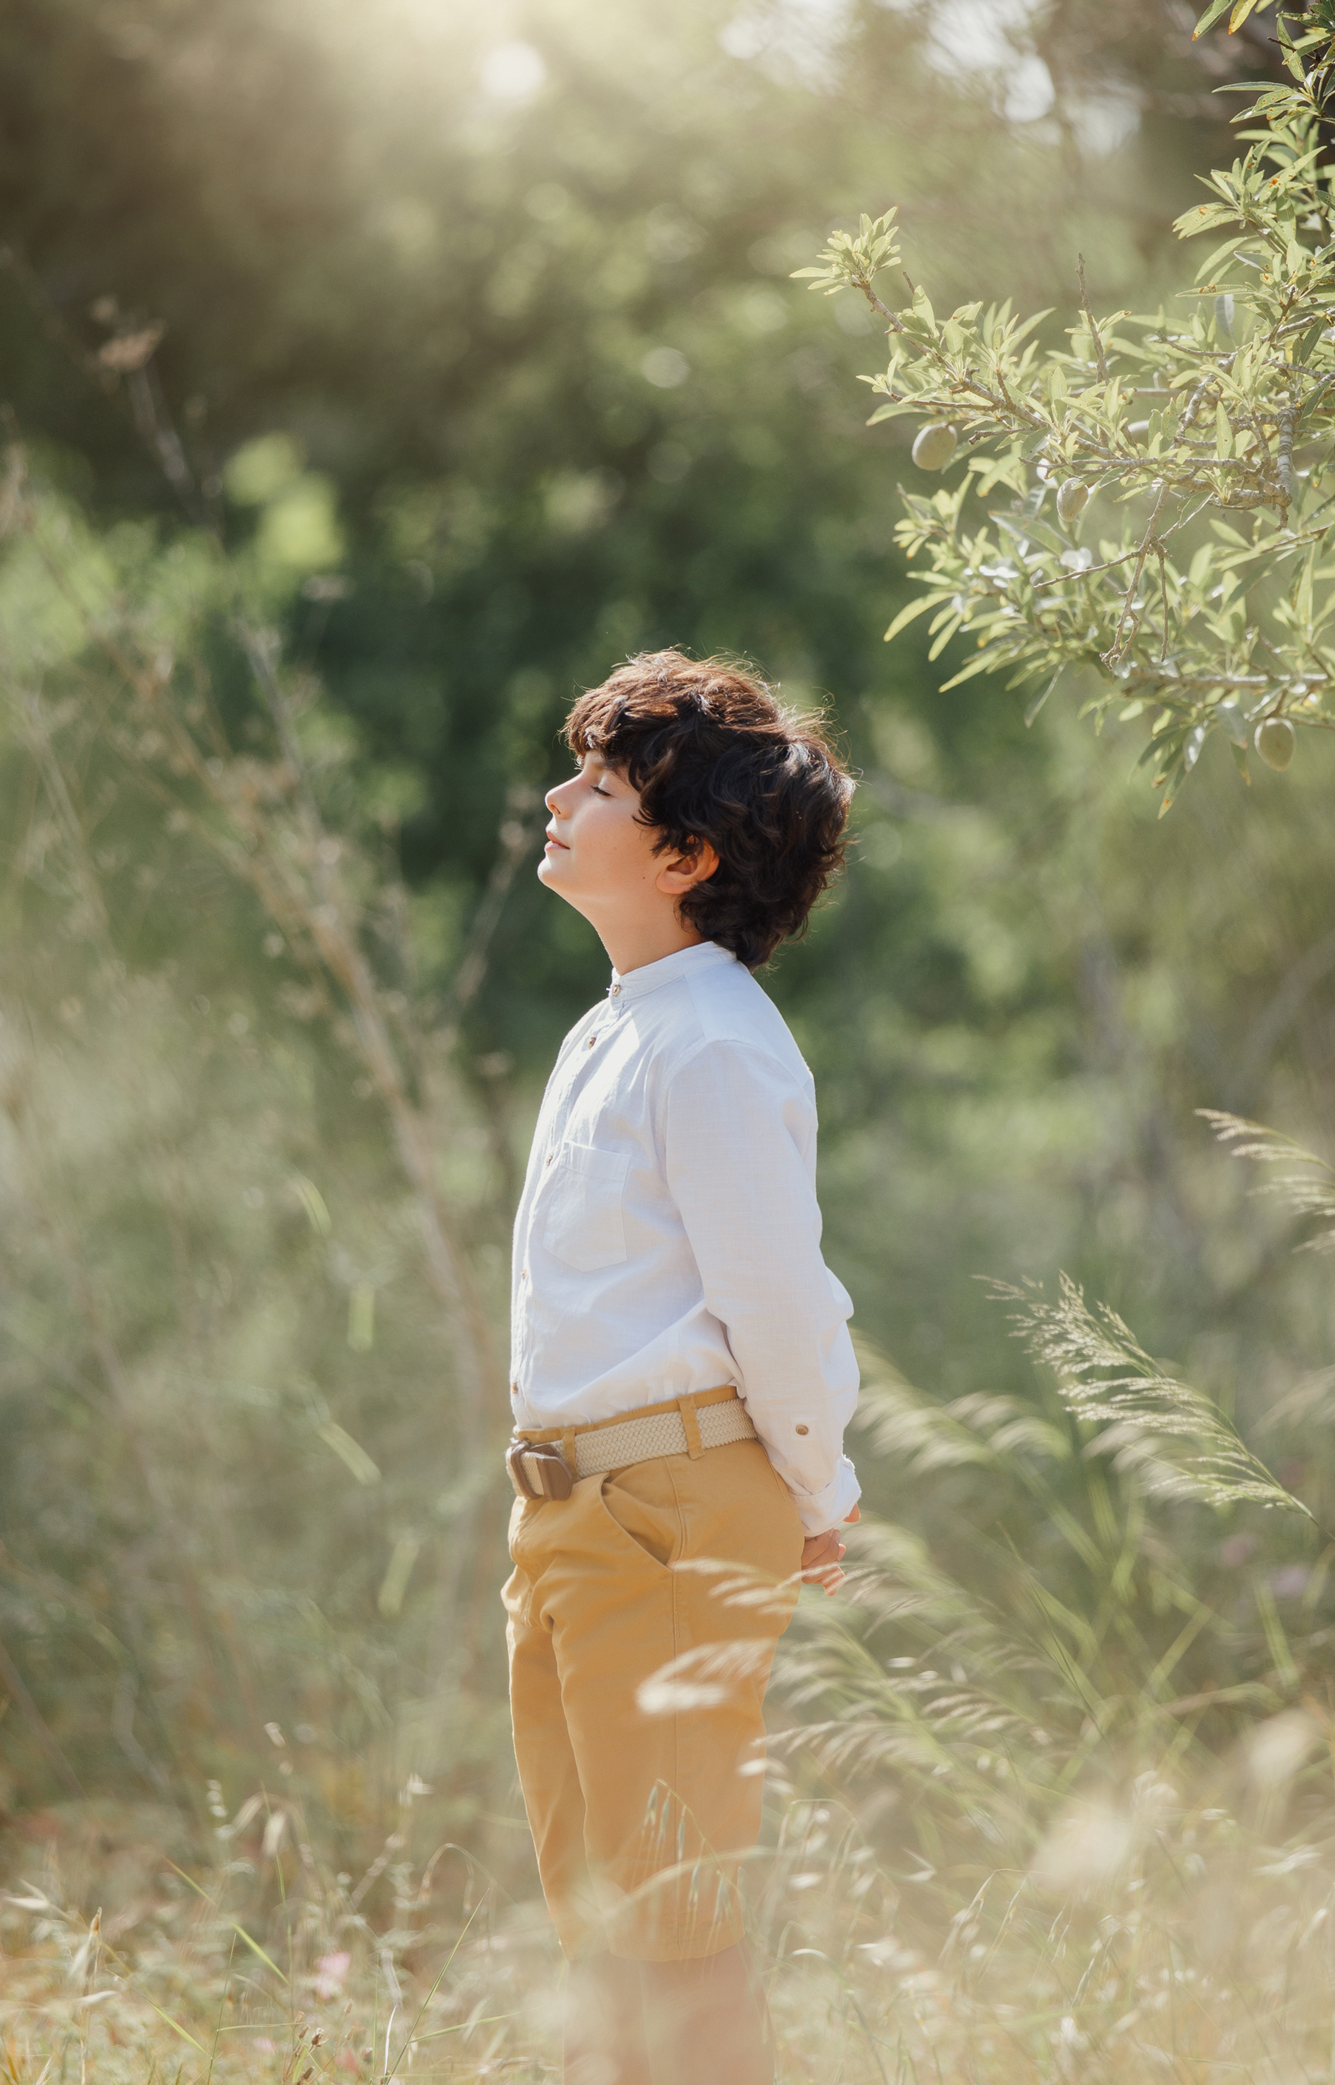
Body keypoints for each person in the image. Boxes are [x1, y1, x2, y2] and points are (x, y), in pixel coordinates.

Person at [503, 649, 862, 2085]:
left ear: (686, 853)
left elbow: (776, 1294)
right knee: (602, 1911)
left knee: (672, 1906)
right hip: (574, 1513)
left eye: (598, 785)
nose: (558, 796)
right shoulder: (623, 1024)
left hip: (667, 1506)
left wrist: (817, 1487)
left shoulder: (712, 1041)